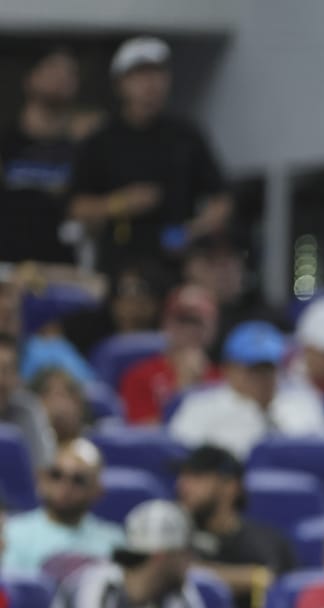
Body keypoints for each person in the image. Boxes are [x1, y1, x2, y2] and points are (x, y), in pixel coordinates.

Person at [66, 36, 231, 279]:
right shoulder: (100, 141)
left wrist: (192, 231)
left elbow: (221, 199)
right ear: (120, 83)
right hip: (119, 266)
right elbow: (76, 207)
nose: (150, 84)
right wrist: (120, 204)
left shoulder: (186, 136)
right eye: (140, 75)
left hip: (176, 265)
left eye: (157, 73)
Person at [168, 320, 324, 458]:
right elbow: (179, 457)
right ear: (229, 369)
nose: (263, 378)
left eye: (269, 368)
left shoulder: (304, 403)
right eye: (254, 370)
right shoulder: (200, 406)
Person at [0, 48, 100, 265]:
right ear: (30, 79)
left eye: (69, 74)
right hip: (6, 266)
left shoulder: (86, 149)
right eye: (52, 69)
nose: (60, 78)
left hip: (62, 268)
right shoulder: (5, 141)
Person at [51, 499, 204, 608]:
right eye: (185, 553)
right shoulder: (95, 588)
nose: (190, 561)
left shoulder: (181, 592)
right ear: (161, 557)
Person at [177, 445, 295, 608]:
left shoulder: (265, 543)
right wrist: (247, 577)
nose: (182, 485)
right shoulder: (177, 537)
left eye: (197, 476)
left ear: (230, 486)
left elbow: (277, 588)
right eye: (182, 476)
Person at [2, 438, 122, 574]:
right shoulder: (10, 534)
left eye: (78, 479)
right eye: (56, 475)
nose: (65, 486)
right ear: (42, 479)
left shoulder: (115, 542)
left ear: (97, 491)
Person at [118, 284, 220, 424]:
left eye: (197, 322)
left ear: (212, 328)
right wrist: (183, 389)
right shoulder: (140, 376)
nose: (189, 329)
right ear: (166, 323)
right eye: (182, 320)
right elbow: (141, 436)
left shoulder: (223, 380)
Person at [0, 332, 57, 467]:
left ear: (18, 378)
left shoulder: (28, 409)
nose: (1, 381)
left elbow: (44, 468)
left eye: (7, 371)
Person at [29, 367, 90, 446]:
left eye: (68, 395)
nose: (63, 405)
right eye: (58, 395)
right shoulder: (27, 443)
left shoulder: (87, 447)